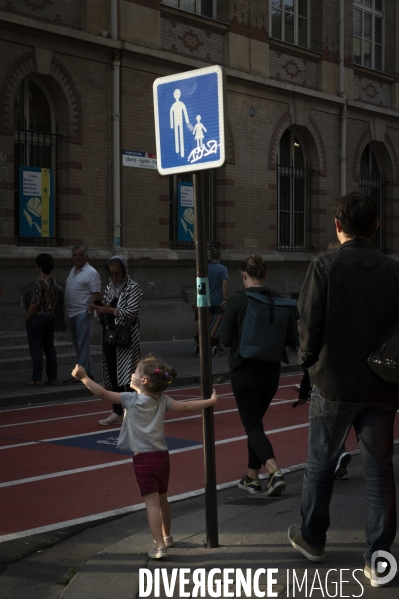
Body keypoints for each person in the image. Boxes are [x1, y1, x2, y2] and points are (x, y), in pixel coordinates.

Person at [288, 191, 399, 588]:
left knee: (320, 462)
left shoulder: (324, 266)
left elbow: (307, 323)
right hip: (383, 386)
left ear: (337, 227)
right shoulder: (393, 270)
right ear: (376, 226)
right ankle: (379, 558)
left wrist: (308, 363)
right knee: (380, 470)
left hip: (333, 384)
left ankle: (313, 539)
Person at [71, 355, 217, 559]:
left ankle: (159, 547)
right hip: (162, 457)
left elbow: (102, 393)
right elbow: (185, 406)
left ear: (145, 380)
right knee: (163, 499)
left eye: (136, 372)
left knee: (152, 504)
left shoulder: (130, 399)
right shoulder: (162, 400)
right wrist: (211, 401)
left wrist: (84, 378)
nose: (132, 375)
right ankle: (167, 537)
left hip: (143, 461)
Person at [220, 254, 296, 497]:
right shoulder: (279, 300)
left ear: (244, 275)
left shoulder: (236, 300)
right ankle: (252, 478)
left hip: (244, 371)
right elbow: (292, 339)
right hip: (271, 372)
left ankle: (274, 472)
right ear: (266, 275)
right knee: (256, 425)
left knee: (252, 425)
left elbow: (224, 340)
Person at [94, 255, 143, 426]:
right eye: (112, 274)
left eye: (118, 273)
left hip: (126, 338)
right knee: (114, 376)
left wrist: (111, 310)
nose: (115, 277)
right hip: (109, 336)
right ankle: (117, 411)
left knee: (128, 376)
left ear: (124, 271)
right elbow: (103, 314)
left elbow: (131, 313)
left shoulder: (133, 288)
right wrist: (99, 311)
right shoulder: (109, 288)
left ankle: (132, 412)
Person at [63, 246, 101, 384]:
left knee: (82, 344)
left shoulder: (91, 272)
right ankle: (88, 373)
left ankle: (80, 375)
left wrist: (89, 310)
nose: (77, 257)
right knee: (80, 345)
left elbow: (96, 293)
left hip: (82, 313)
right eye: (75, 255)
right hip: (72, 313)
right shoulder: (73, 270)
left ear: (86, 257)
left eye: (80, 255)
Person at [25, 253, 58, 387]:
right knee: (49, 347)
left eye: (36, 265)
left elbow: (35, 301)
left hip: (38, 317)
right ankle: (52, 378)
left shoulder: (40, 281)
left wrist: (28, 315)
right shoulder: (53, 281)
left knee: (37, 348)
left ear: (39, 267)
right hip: (51, 316)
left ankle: (36, 379)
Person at [208, 248, 228, 315]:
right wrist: (225, 299)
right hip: (219, 302)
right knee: (218, 323)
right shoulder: (223, 268)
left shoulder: (206, 268)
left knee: (209, 323)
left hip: (208, 301)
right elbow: (224, 285)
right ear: (219, 256)